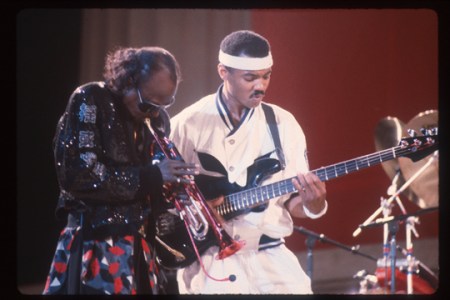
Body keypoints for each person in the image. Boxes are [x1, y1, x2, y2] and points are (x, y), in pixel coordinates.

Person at [169, 30, 327, 294]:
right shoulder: (188, 124)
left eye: (266, 76)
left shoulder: (283, 123)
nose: (261, 86)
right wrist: (198, 211)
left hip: (271, 257)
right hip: (212, 261)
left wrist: (314, 203)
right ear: (223, 72)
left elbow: (292, 202)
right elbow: (163, 197)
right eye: (250, 78)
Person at [43, 46, 199, 295]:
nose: (155, 112)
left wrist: (175, 190)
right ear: (128, 80)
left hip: (143, 248)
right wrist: (155, 175)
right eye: (148, 103)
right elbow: (81, 174)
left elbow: (152, 192)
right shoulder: (91, 99)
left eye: (164, 104)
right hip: (96, 244)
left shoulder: (158, 119)